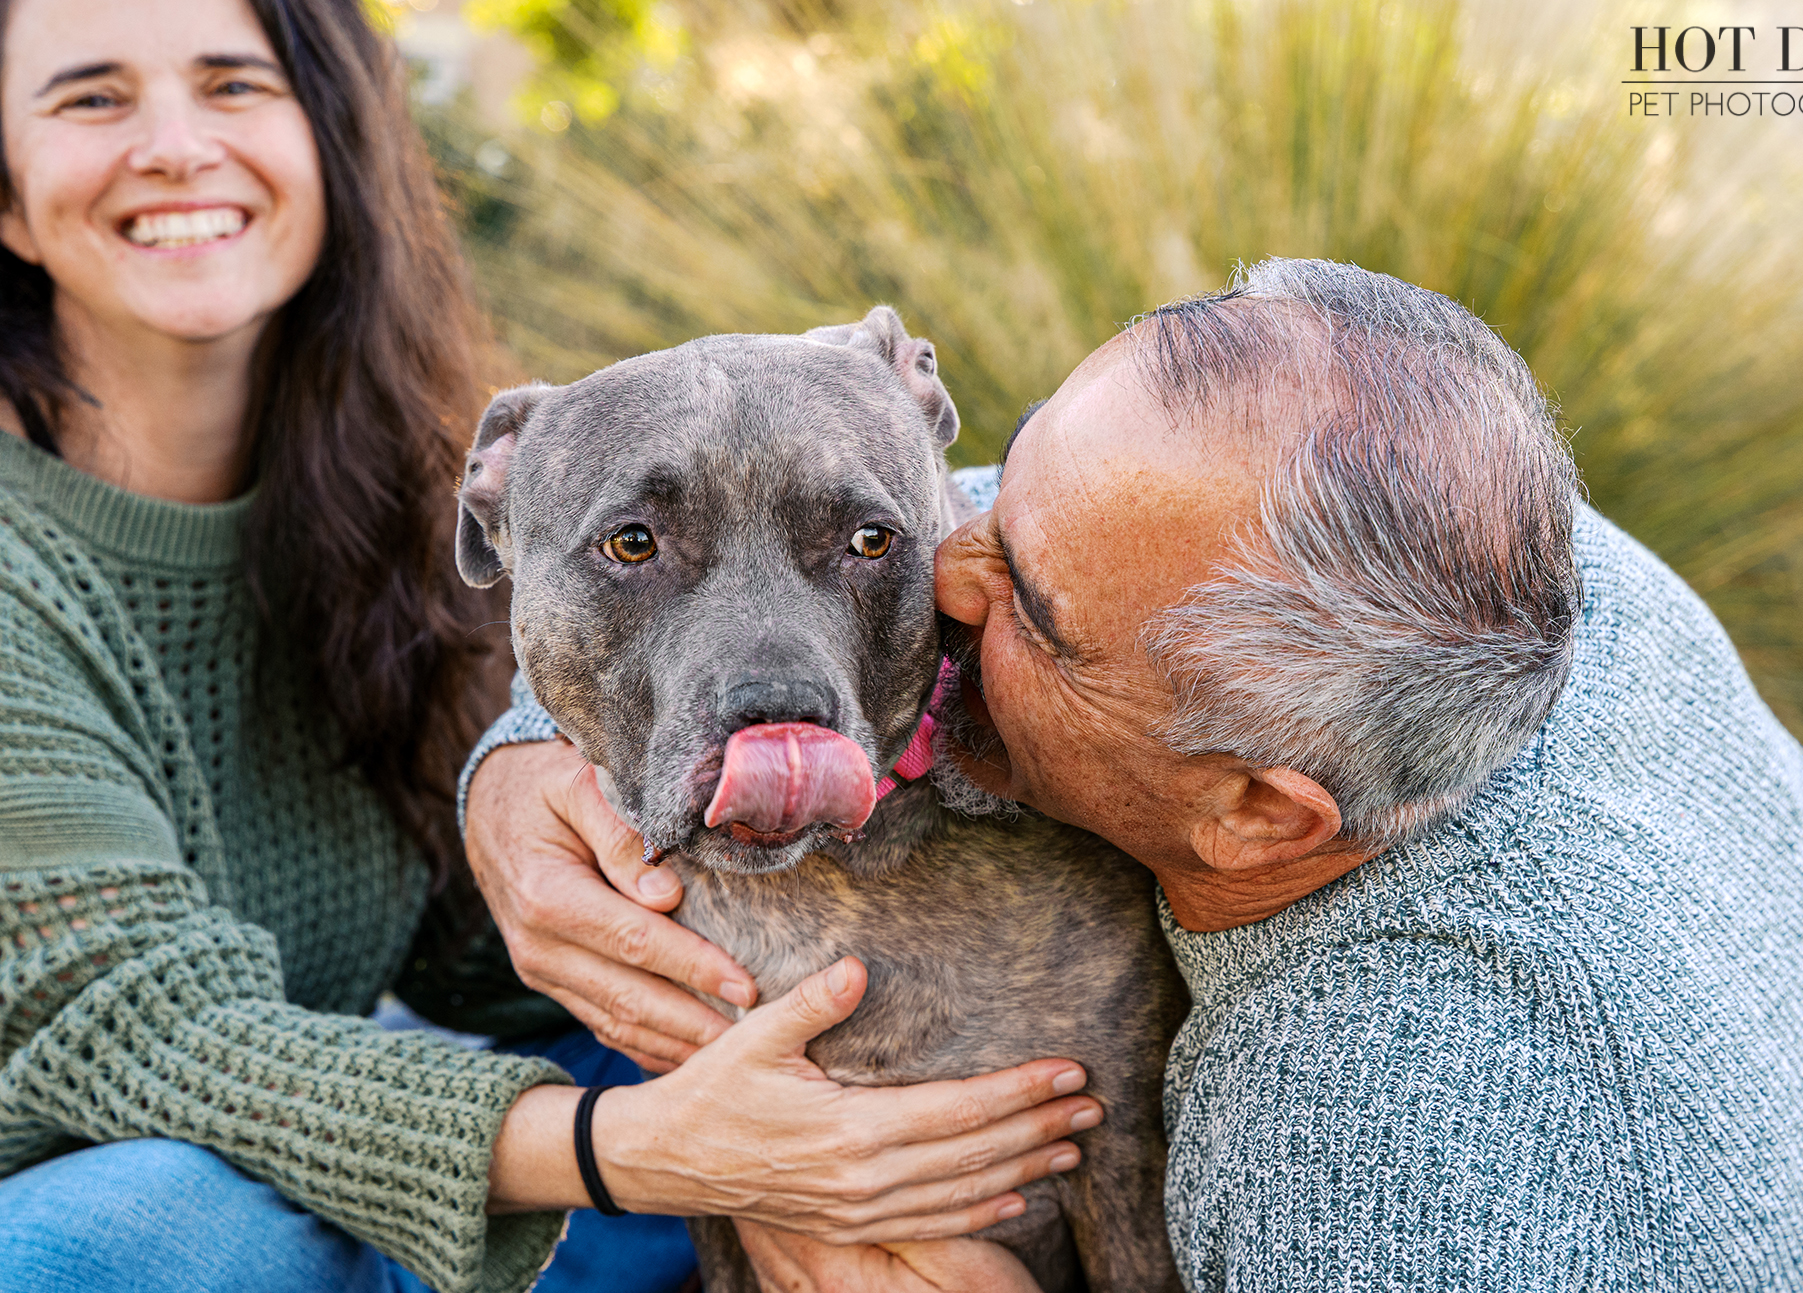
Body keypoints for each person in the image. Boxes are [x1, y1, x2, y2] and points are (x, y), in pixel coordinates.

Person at [466, 259, 1803, 1291]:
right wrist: (522, 758)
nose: (948, 582)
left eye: (1029, 610)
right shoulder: (1535, 548)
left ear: (1254, 808)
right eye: (995, 489)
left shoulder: (1356, 1164)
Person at [0, 2, 1098, 1290]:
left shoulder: (396, 486)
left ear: (334, 139)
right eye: (91, 98)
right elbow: (133, 1026)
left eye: (235, 84)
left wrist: (522, 777)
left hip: (365, 1149)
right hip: (127, 1183)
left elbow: (909, 509)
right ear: (7, 199)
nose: (179, 144)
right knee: (139, 1231)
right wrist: (664, 1151)